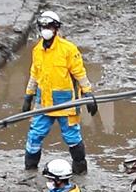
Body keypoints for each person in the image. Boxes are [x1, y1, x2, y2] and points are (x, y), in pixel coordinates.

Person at [22, 9, 97, 175]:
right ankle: (30, 171)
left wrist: (88, 93)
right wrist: (29, 95)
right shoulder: (37, 51)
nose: (45, 30)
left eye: (49, 26)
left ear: (56, 28)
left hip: (66, 103)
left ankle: (80, 171)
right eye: (42, 27)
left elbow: (79, 72)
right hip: (44, 102)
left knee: (72, 138)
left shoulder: (68, 49)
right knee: (34, 136)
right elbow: (35, 74)